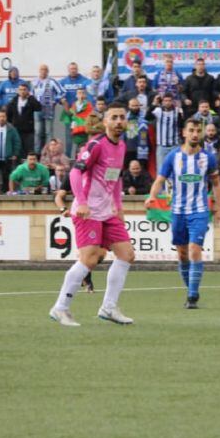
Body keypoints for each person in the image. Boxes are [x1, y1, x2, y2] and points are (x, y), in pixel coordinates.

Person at [49, 103, 136, 327]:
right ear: (105, 122)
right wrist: (83, 202)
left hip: (108, 212)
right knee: (89, 259)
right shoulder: (96, 144)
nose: (118, 121)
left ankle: (109, 307)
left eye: (122, 117)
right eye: (114, 117)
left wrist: (119, 206)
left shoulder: (122, 146)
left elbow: (115, 178)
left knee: (126, 254)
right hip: (88, 212)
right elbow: (76, 172)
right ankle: (60, 308)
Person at [145, 118, 220, 308]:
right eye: (191, 130)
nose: (195, 134)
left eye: (198, 130)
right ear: (184, 133)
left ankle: (192, 296)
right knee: (182, 254)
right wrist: (151, 196)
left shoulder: (208, 158)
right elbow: (160, 179)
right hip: (178, 211)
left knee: (194, 250)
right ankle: (190, 288)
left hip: (199, 210)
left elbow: (216, 184)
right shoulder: (173, 157)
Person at [33, 64, 65, 152]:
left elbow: (62, 92)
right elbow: (31, 94)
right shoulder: (35, 81)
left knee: (48, 132)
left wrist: (55, 101)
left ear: (47, 71)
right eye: (41, 69)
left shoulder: (52, 81)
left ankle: (50, 152)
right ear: (39, 71)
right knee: (38, 132)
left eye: (45, 69)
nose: (43, 71)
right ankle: (38, 153)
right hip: (37, 110)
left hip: (48, 109)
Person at [7, 82, 41, 156]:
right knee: (17, 150)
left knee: (28, 150)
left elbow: (39, 107)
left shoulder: (30, 100)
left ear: (28, 91)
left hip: (28, 131)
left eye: (24, 90)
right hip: (16, 130)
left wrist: (31, 97)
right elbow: (8, 112)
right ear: (18, 91)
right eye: (20, 89)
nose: (22, 91)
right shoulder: (14, 100)